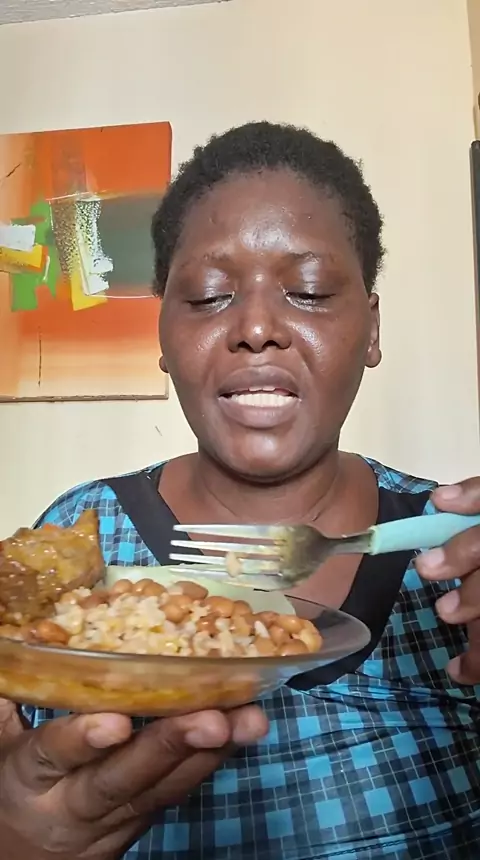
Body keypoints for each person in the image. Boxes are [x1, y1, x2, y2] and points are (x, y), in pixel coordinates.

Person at [0, 121, 479, 860]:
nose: (256, 327)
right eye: (208, 296)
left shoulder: (457, 554)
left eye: (309, 291)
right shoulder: (76, 533)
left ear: (371, 330)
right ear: (162, 336)